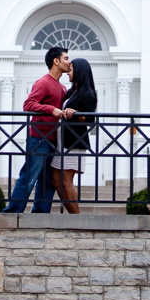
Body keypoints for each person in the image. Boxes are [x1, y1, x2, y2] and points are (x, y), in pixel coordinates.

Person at [1, 45, 74, 213]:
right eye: (66, 58)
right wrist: (51, 109)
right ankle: (13, 212)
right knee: (29, 176)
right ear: (56, 61)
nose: (69, 62)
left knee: (47, 180)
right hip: (39, 138)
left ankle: (41, 213)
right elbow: (28, 104)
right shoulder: (43, 82)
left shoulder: (61, 87)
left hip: (54, 139)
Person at [50, 57, 97, 214]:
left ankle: (77, 218)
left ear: (80, 72)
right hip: (61, 141)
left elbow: (90, 120)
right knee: (56, 180)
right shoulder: (71, 91)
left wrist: (76, 114)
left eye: (70, 70)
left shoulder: (88, 93)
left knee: (66, 181)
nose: (67, 73)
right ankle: (74, 216)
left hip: (74, 142)